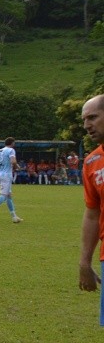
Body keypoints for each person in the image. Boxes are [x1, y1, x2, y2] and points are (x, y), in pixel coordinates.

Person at [77, 95, 104, 313]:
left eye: (93, 117)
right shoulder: (92, 162)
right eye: (84, 120)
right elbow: (92, 213)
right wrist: (85, 262)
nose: (87, 125)